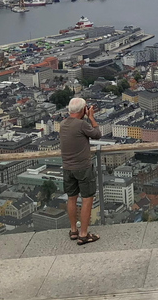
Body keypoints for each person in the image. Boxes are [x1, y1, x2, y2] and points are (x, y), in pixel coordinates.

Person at [60, 97, 102, 245]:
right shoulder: (81, 124)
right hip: (83, 168)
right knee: (87, 199)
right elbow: (97, 134)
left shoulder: (62, 124)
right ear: (83, 110)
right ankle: (83, 234)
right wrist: (91, 118)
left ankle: (73, 231)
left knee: (71, 198)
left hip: (67, 168)